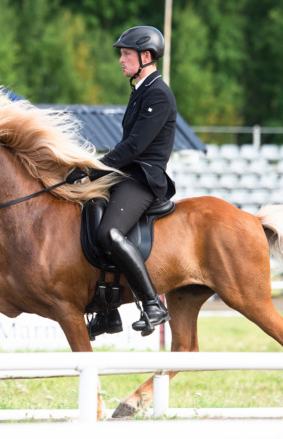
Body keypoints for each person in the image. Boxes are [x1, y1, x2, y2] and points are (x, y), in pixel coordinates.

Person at [78, 26, 177, 337]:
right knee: (87, 211)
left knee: (109, 232)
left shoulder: (158, 94)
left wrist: (94, 169)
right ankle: (108, 314)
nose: (120, 60)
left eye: (125, 54)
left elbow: (134, 147)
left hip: (144, 179)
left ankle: (152, 305)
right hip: (127, 174)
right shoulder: (140, 91)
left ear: (145, 57)